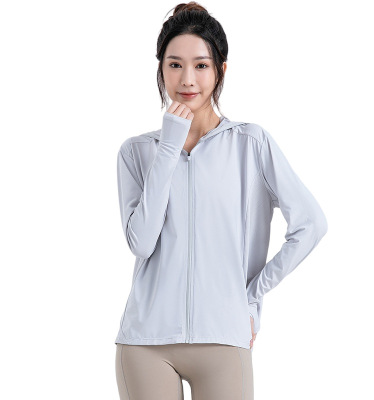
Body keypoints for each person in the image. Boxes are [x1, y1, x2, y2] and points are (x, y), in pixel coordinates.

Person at [114, 2, 328, 399]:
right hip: (145, 341)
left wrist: (252, 295)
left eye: (201, 65)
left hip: (224, 336)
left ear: (221, 70)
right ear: (160, 69)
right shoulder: (136, 152)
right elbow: (141, 242)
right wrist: (169, 146)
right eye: (175, 65)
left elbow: (311, 223)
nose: (187, 79)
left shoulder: (251, 143)